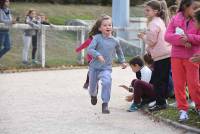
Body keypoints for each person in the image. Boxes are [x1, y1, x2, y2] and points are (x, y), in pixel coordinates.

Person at [165, 0, 200, 122]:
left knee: (194, 84)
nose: (197, 10)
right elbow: (167, 36)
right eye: (194, 8)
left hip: (193, 57)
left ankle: (198, 106)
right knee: (178, 84)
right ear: (185, 7)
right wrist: (181, 40)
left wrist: (189, 38)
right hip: (176, 56)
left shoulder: (198, 18)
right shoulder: (175, 19)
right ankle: (183, 110)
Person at [87, 15, 127, 114]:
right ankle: (93, 94)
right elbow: (90, 49)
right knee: (92, 88)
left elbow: (119, 52)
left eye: (110, 25)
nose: (108, 27)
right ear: (100, 28)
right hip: (94, 68)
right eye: (105, 25)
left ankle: (105, 104)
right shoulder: (96, 38)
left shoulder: (115, 41)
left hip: (106, 68)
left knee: (107, 82)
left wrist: (122, 61)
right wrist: (98, 55)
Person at [138, 0, 171, 112]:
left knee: (158, 80)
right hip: (166, 53)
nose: (145, 12)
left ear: (156, 11)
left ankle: (160, 103)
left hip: (161, 55)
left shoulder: (153, 23)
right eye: (145, 10)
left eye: (148, 10)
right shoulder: (160, 21)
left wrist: (143, 36)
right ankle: (162, 101)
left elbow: (151, 41)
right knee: (163, 79)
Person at [75, 19, 101, 89]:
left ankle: (95, 83)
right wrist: (78, 49)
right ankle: (87, 82)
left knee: (98, 71)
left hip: (99, 58)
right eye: (94, 35)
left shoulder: (100, 40)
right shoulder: (89, 40)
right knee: (91, 70)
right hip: (90, 59)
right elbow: (83, 45)